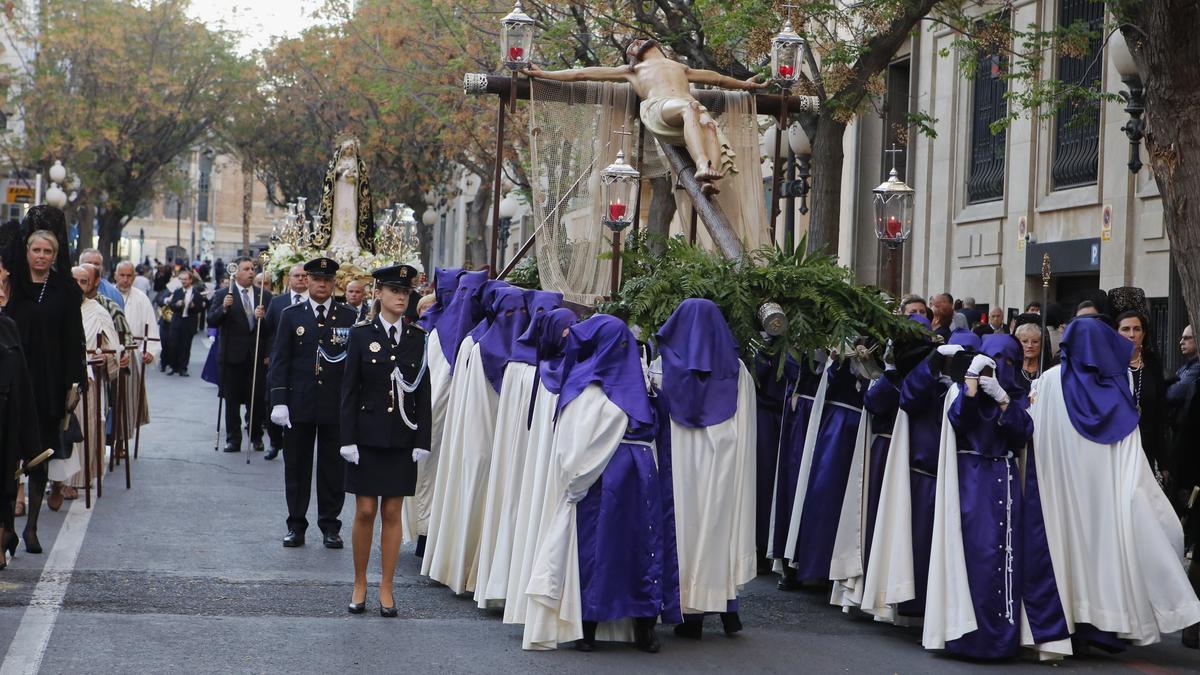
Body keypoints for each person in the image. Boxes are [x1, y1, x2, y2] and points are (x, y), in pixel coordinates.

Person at [1029, 317, 1200, 645]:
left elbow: (1033, 431)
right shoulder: (1117, 395)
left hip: (1056, 496)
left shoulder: (1048, 382)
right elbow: (1132, 460)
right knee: (1103, 560)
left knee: (1063, 560)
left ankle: (1065, 624)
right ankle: (1105, 625)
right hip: (1104, 504)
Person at [922, 334, 1070, 658]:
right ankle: (965, 635)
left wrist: (1003, 399)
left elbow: (1024, 433)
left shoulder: (1015, 395)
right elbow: (959, 420)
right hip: (969, 481)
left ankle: (1000, 639)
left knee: (1002, 556)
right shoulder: (959, 391)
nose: (1000, 367)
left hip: (1002, 478)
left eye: (1008, 362)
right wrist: (972, 386)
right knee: (973, 555)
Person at [523, 314, 664, 653]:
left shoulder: (632, 382)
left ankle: (641, 623)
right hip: (608, 479)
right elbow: (573, 447)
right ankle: (590, 623)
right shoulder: (589, 384)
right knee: (602, 550)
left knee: (639, 549)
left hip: (634, 476)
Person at [524, 38, 767, 191]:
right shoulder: (634, 70)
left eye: (638, 40)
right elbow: (583, 74)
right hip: (659, 107)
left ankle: (707, 180)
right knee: (690, 108)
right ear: (632, 57)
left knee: (711, 126)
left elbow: (718, 78)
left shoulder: (680, 67)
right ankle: (702, 164)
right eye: (631, 46)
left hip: (686, 106)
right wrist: (545, 74)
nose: (635, 43)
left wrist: (746, 85)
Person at [652, 299, 755, 639]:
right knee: (718, 529)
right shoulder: (738, 372)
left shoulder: (659, 367)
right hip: (722, 461)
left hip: (678, 460)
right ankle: (726, 606)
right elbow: (746, 426)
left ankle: (687, 612)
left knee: (682, 527)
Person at [339, 263, 431, 615]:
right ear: (378, 293)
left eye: (406, 292)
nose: (401, 298)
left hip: (401, 437)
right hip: (366, 436)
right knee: (365, 510)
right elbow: (349, 391)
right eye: (395, 291)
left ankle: (387, 587)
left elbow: (423, 391)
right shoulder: (361, 335)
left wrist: (423, 438)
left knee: (393, 511)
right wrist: (347, 439)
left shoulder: (417, 339)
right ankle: (359, 582)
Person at [1, 210, 86, 553]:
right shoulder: (14, 284)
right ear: (27, 252)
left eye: (47, 252)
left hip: (48, 382)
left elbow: (74, 339)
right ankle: (7, 527)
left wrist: (74, 383)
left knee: (39, 457)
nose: (41, 256)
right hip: (10, 382)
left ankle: (33, 527)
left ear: (55, 256)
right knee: (7, 456)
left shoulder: (65, 289)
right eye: (35, 250)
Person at [475, 289, 562, 610]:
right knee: (513, 511)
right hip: (519, 457)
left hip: (539, 459)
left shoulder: (554, 367)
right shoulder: (520, 366)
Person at [269, 257, 356, 549]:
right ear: (307, 281)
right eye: (317, 279)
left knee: (333, 469)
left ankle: (331, 525)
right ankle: (296, 525)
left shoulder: (348, 317)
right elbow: (280, 361)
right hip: (299, 403)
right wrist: (279, 400)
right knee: (297, 467)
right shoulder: (292, 315)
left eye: (328, 280)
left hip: (335, 405)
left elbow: (355, 367)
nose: (322, 285)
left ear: (334, 284)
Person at [206, 257, 272, 454]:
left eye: (252, 269)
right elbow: (212, 320)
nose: (251, 272)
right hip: (231, 356)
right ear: (236, 272)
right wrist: (224, 308)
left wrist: (263, 319)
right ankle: (233, 439)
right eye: (246, 269)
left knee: (256, 398)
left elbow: (272, 329)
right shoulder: (223, 294)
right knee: (231, 400)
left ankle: (256, 437)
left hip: (256, 355)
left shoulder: (265, 296)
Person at [262, 263, 309, 455]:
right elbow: (267, 332)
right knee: (272, 400)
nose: (300, 279)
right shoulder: (278, 302)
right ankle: (274, 442)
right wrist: (267, 354)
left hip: (303, 361)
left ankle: (293, 444)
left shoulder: (315, 302)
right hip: (278, 360)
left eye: (304, 276)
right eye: (296, 276)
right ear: (288, 279)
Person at [1116, 311, 1169, 476]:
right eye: (1125, 329)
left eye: (1136, 329)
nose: (1131, 334)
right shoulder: (1110, 366)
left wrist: (1164, 462)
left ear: (1144, 334)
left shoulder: (1153, 364)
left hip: (1147, 446)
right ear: (1116, 333)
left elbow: (1160, 413)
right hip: (1117, 448)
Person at [166, 269, 207, 376]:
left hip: (189, 322)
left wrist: (194, 307)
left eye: (185, 279)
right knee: (173, 344)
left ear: (190, 280)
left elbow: (200, 309)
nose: (183, 281)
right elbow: (172, 307)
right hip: (177, 321)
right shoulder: (177, 292)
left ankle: (183, 368)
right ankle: (173, 366)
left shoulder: (196, 294)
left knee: (186, 346)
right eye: (181, 279)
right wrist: (176, 305)